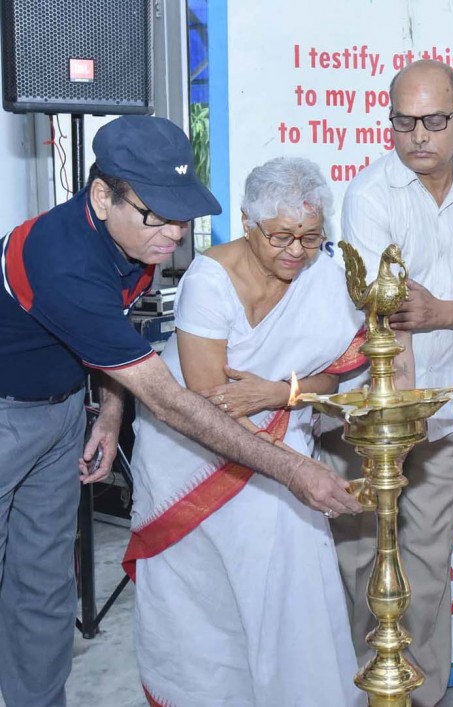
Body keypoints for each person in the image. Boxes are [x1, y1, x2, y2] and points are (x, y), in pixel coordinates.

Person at [0, 116, 360, 707]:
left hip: (61, 412)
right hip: (7, 414)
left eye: (181, 215)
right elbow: (172, 401)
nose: (173, 234)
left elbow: (113, 341)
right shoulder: (62, 261)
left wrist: (109, 413)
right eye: (157, 216)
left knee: (43, 588)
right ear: (101, 196)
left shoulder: (134, 240)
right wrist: (295, 470)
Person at [126, 156, 366, 706]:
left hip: (285, 458)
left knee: (291, 596)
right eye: (281, 236)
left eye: (310, 237)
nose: (295, 251)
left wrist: (282, 393)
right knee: (206, 602)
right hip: (194, 455)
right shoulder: (209, 280)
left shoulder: (325, 275)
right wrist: (274, 403)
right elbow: (210, 401)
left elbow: (334, 372)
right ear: (246, 222)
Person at [313, 59, 453, 706]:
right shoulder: (369, 195)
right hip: (373, 414)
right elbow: (387, 323)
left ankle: (417, 696)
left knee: (426, 571)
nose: (418, 136)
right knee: (363, 562)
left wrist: (441, 313)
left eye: (433, 120)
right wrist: (391, 432)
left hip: (451, 408)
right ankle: (366, 691)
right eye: (404, 122)